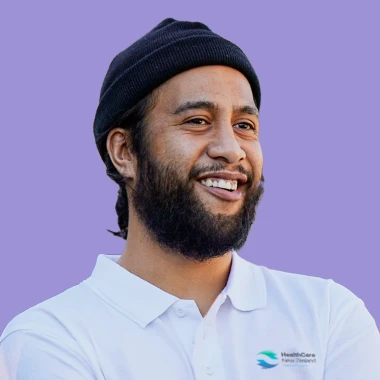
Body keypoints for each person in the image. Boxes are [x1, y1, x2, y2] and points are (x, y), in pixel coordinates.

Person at [1, 18, 379, 380]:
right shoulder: (50, 339)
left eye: (244, 126)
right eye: (197, 120)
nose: (232, 150)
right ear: (124, 151)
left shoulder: (328, 316)